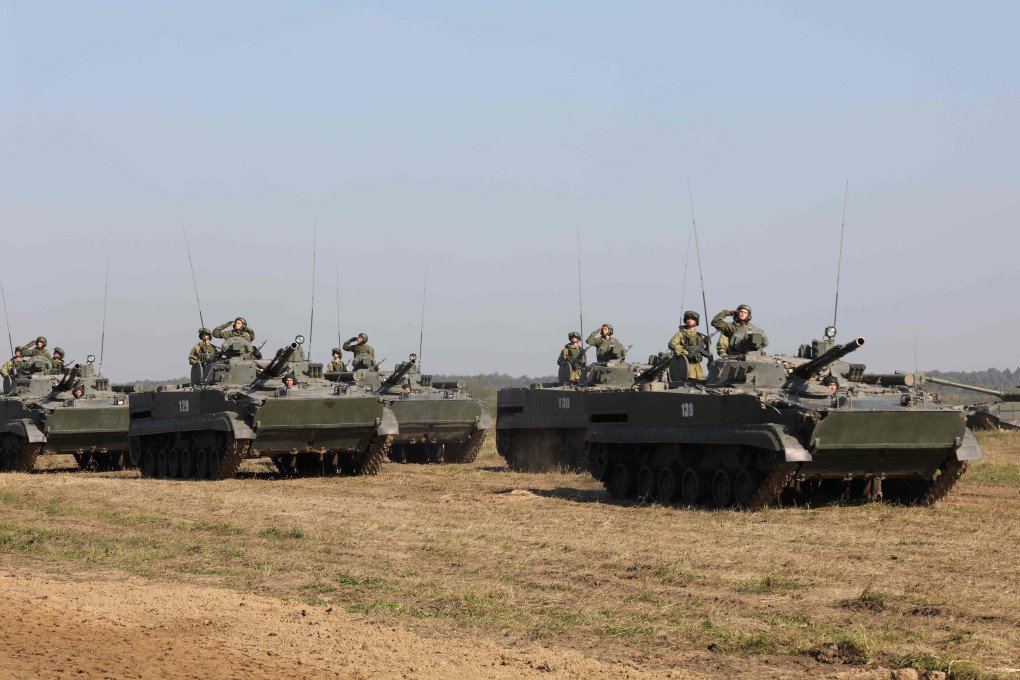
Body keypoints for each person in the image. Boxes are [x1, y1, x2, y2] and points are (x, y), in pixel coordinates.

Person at [668, 311, 709, 381]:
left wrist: (708, 344)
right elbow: (671, 344)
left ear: (696, 321)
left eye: (692, 319)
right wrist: (685, 353)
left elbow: (707, 354)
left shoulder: (700, 336)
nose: (689, 320)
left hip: (697, 370)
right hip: (685, 367)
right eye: (688, 319)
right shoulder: (681, 334)